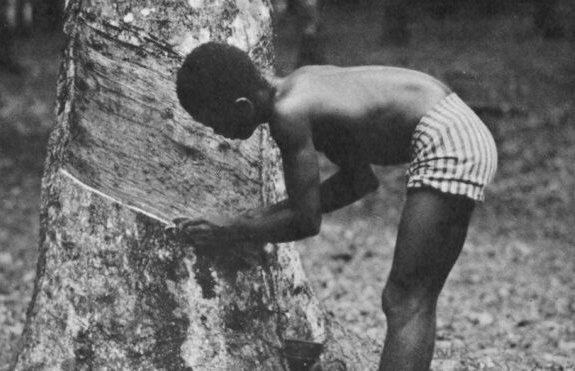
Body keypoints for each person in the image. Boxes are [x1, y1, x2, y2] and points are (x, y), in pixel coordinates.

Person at [174, 42, 497, 371]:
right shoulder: (303, 85)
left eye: (213, 122)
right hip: (457, 128)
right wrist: (257, 217)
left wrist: (232, 230)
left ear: (241, 107)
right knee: (413, 299)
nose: (217, 132)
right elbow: (357, 181)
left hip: (449, 139)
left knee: (405, 300)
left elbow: (306, 221)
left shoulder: (288, 113)